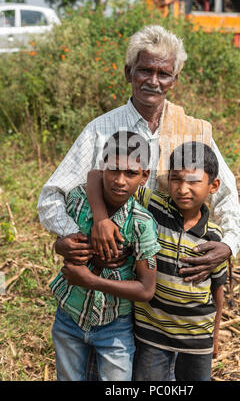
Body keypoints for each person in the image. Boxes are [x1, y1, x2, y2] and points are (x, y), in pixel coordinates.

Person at [37, 25, 240, 283]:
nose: (154, 81)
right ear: (129, 73)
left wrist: (229, 244)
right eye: (145, 70)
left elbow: (226, 192)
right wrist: (81, 237)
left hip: (175, 276)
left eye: (164, 74)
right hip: (115, 275)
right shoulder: (101, 130)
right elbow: (51, 196)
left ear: (175, 80)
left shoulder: (192, 130)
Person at [86, 141, 227, 381]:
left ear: (213, 186)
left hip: (196, 335)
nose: (183, 189)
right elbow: (95, 175)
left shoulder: (214, 239)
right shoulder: (153, 205)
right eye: (176, 179)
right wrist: (100, 219)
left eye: (193, 181)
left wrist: (215, 334)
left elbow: (218, 289)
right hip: (152, 330)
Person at [49, 131, 160, 381]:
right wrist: (60, 245)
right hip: (69, 315)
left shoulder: (142, 223)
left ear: (144, 177)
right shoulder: (78, 200)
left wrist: (91, 280)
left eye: (130, 173)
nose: (120, 180)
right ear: (103, 169)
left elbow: (146, 289)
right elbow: (63, 242)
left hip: (115, 326)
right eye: (114, 170)